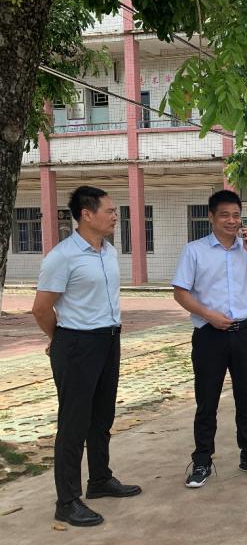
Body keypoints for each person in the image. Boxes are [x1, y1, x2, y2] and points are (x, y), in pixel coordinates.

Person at [32, 186, 141, 527]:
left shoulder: (108, 251)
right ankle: (67, 501)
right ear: (86, 214)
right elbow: (41, 308)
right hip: (77, 344)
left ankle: (99, 479)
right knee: (73, 423)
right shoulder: (62, 257)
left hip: (109, 340)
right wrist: (60, 339)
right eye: (109, 211)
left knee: (102, 416)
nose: (115, 216)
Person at [172, 190, 247, 488]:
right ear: (211, 217)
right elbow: (180, 293)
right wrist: (208, 315)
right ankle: (202, 461)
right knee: (207, 401)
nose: (231, 221)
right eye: (224, 215)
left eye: (236, 215)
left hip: (245, 335)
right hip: (209, 336)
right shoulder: (194, 251)